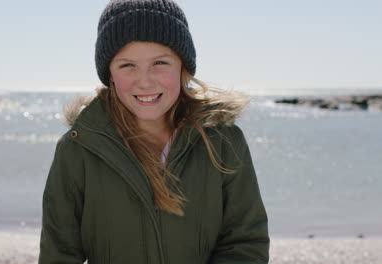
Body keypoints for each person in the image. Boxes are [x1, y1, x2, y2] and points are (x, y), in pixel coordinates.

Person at [38, 0, 269, 263]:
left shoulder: (223, 142)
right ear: (110, 74)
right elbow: (59, 254)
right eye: (128, 66)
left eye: (160, 62)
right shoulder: (78, 150)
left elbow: (246, 244)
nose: (145, 81)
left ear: (182, 66)